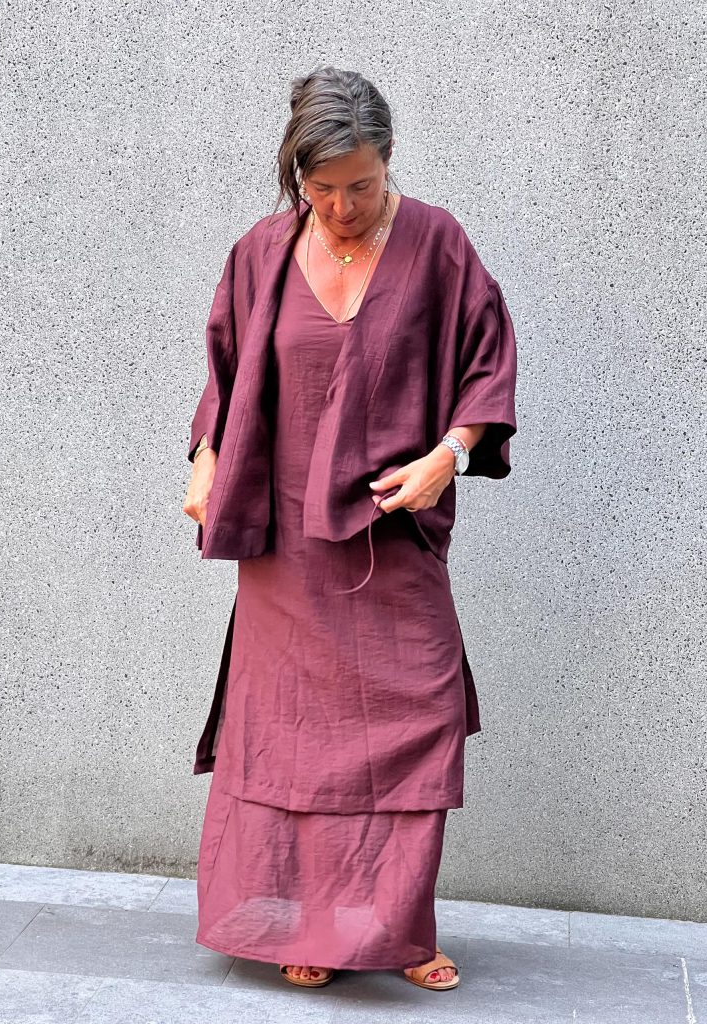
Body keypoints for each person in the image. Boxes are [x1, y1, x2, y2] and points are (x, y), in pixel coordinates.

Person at [182, 66, 518, 992]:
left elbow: (488, 364)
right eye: (320, 187)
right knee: (290, 732)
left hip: (392, 533)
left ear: (390, 159)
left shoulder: (438, 244)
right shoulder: (261, 252)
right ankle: (306, 923)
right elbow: (224, 375)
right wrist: (205, 462)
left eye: (360, 186)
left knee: (414, 721)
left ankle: (394, 930)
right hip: (285, 548)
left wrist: (449, 454)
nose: (339, 207)